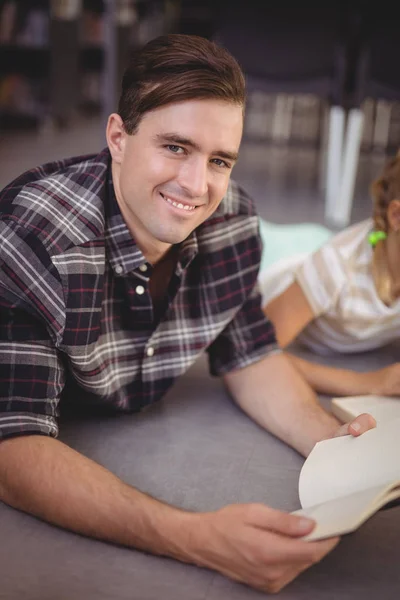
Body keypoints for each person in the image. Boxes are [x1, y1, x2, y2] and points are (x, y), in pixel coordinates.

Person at [0, 34, 374, 594]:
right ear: (118, 137)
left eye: (219, 159)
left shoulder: (235, 221)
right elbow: (13, 445)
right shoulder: (35, 238)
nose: (197, 187)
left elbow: (251, 354)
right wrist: (195, 536)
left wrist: (335, 447)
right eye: (175, 147)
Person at [260, 154, 400, 398]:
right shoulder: (335, 269)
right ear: (397, 216)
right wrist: (366, 382)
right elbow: (253, 352)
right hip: (275, 265)